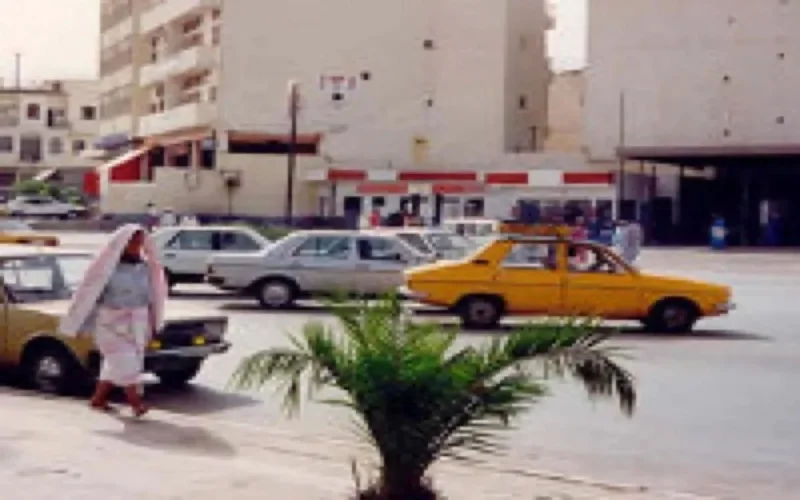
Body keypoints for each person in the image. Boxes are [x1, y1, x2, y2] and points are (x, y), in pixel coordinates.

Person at [58, 224, 168, 417]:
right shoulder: (105, 268)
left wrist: (153, 322)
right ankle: (136, 404)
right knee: (127, 363)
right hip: (110, 324)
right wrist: (80, 323)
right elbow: (88, 294)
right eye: (132, 241)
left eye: (139, 242)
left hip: (137, 324)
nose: (136, 245)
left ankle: (98, 399)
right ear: (122, 243)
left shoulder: (146, 268)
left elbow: (153, 296)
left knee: (117, 364)